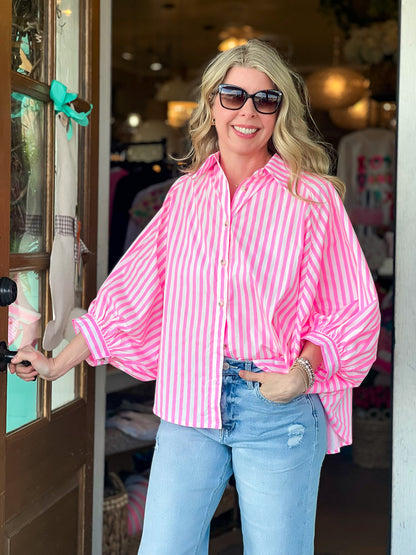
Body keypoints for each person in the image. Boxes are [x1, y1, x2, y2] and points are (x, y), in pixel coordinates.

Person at [10, 39, 381, 554]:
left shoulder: (311, 196)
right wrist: (56, 363)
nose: (248, 112)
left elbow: (350, 305)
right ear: (211, 104)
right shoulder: (184, 196)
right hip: (189, 406)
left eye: (265, 100)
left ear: (280, 112)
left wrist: (302, 374)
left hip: (275, 409)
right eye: (233, 95)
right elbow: (129, 295)